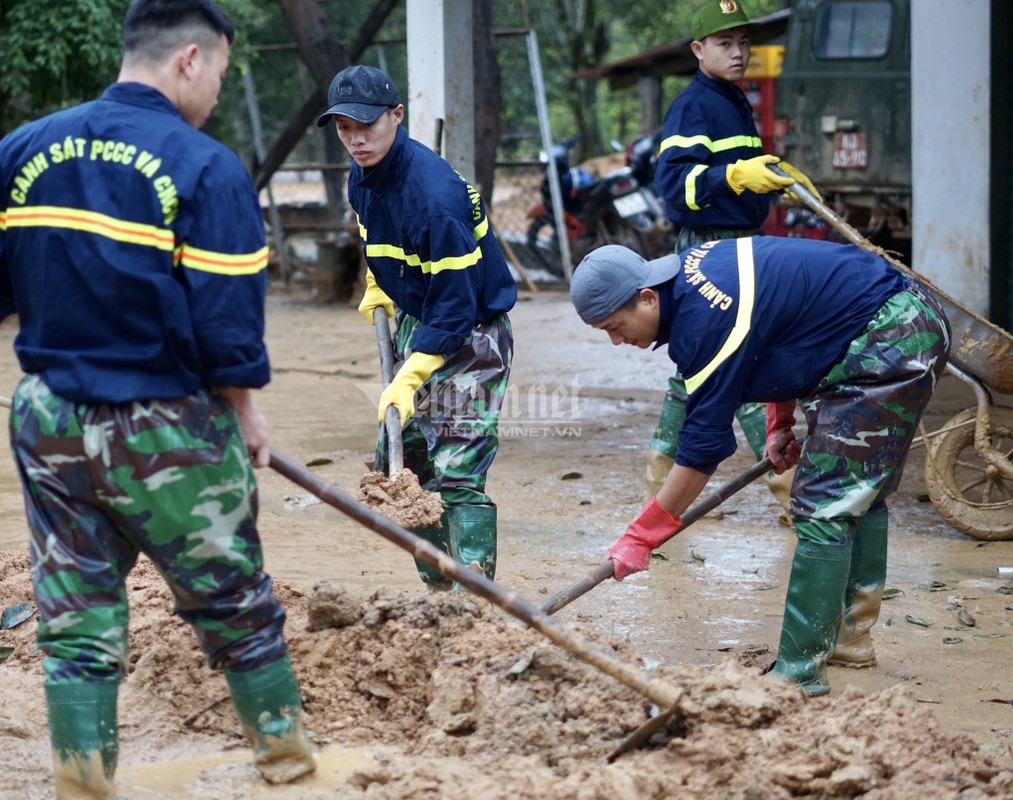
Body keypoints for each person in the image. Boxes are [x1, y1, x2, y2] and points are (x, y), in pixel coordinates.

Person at [0, 1, 316, 794]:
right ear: (189, 61)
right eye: (219, 73)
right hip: (163, 423)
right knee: (235, 601)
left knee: (76, 615)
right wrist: (244, 410)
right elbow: (227, 322)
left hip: (47, 414)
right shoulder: (204, 166)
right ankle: (288, 762)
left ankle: (82, 781)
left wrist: (48, 305)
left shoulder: (26, 145)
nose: (214, 90)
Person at [569, 238, 950, 696]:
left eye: (615, 326)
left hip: (890, 336)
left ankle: (799, 673)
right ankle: (848, 641)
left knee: (824, 504)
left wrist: (642, 535)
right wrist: (779, 423)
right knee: (856, 494)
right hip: (885, 322)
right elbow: (776, 330)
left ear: (648, 297)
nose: (616, 341)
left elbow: (703, 447)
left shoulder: (703, 320)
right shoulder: (693, 282)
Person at [318, 65, 517, 590]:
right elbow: (374, 232)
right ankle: (438, 592)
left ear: (397, 116)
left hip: (472, 332)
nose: (356, 139)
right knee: (402, 465)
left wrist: (409, 376)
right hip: (419, 318)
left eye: (366, 125)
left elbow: (457, 305)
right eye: (343, 128)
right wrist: (380, 281)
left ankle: (475, 608)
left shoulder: (434, 199)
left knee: (456, 469)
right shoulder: (361, 176)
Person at [645, 0, 819, 511]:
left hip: (735, 242)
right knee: (743, 362)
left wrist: (770, 185)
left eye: (744, 43)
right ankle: (795, 496)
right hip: (710, 249)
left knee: (692, 375)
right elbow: (673, 187)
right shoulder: (695, 106)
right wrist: (737, 177)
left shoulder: (732, 100)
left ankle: (659, 495)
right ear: (699, 50)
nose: (739, 53)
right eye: (725, 44)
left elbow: (737, 173)